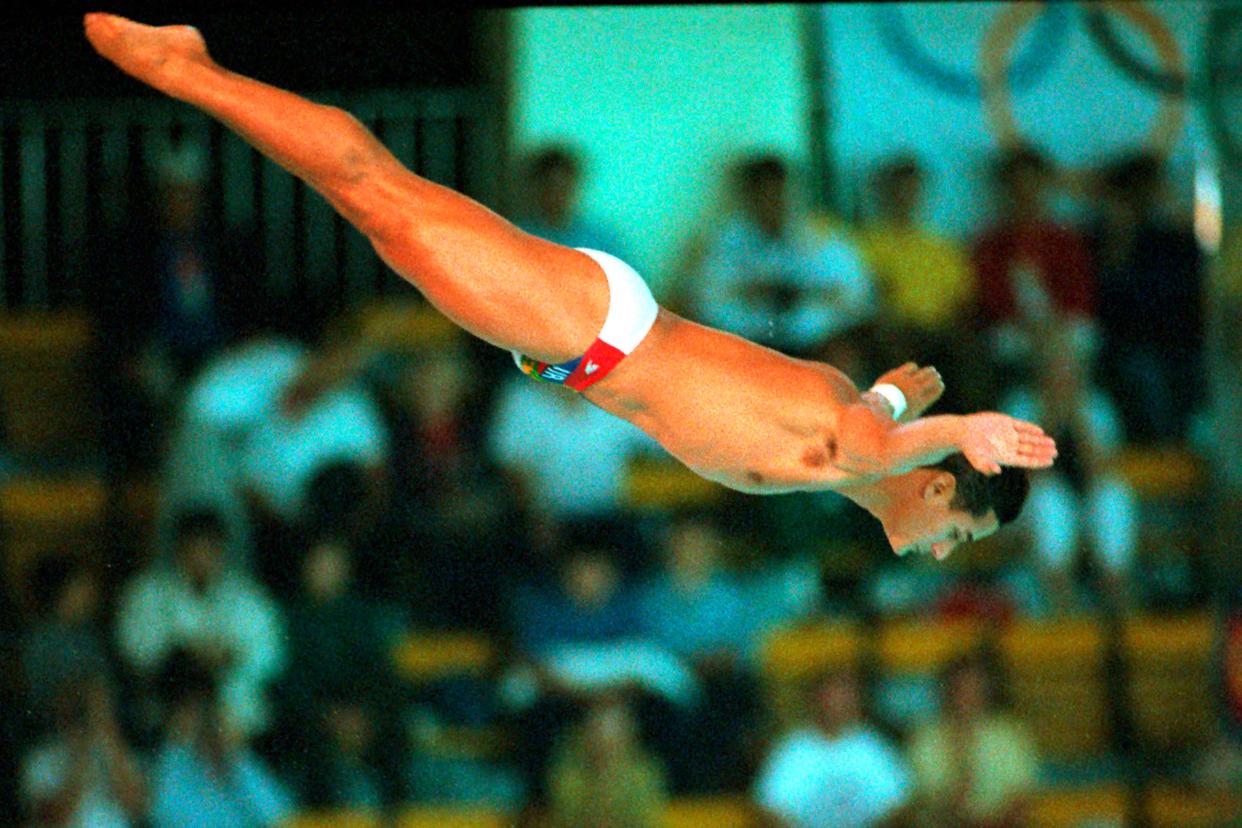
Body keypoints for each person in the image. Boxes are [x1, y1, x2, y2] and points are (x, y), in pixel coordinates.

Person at [84, 14, 1057, 561]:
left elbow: (870, 428)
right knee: (379, 201)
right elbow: (872, 442)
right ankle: (192, 72)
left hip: (593, 336)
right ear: (934, 484)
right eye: (956, 531)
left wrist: (899, 396)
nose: (941, 551)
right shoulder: (859, 451)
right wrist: (963, 427)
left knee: (386, 213)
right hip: (596, 330)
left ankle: (199, 74)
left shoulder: (860, 446)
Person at [754, 668, 912, 828]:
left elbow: (899, 806)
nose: (841, 701)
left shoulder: (874, 747)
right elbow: (771, 810)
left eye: (847, 694)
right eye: (833, 693)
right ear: (815, 699)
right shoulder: (792, 749)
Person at [906, 653, 1039, 828]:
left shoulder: (1009, 736)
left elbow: (1020, 800)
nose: (966, 695)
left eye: (974, 687)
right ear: (946, 691)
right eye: (959, 687)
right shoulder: (925, 739)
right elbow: (921, 801)